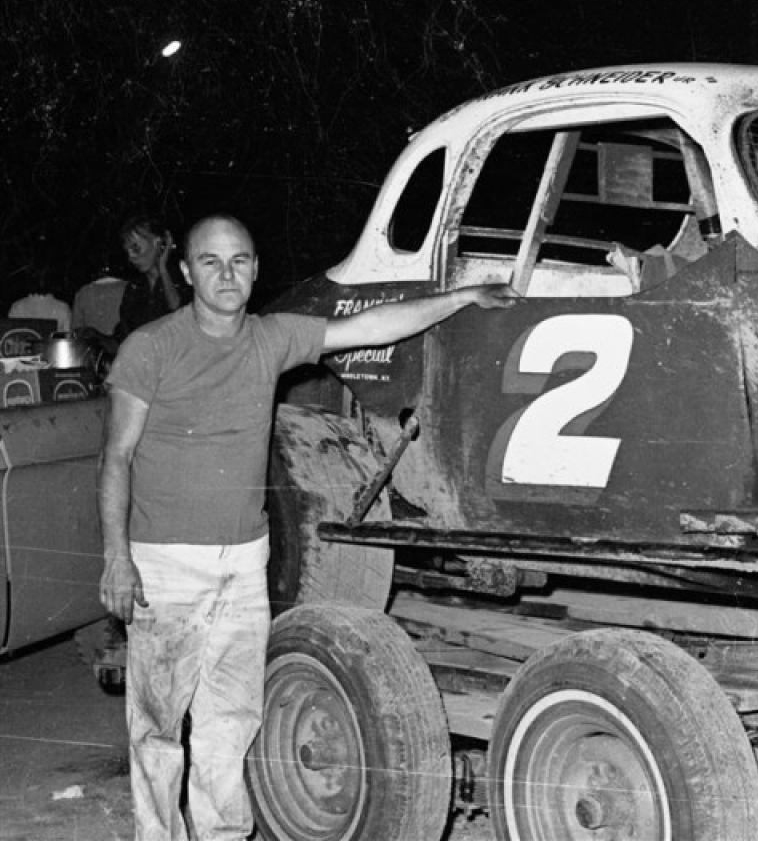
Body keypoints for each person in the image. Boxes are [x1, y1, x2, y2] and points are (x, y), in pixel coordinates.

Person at [97, 214, 517, 841]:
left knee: (230, 721)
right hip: (166, 565)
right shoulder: (151, 347)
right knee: (158, 727)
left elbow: (371, 326)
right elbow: (117, 456)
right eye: (210, 262)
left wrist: (462, 297)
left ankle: (221, 835)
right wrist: (116, 557)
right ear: (185, 271)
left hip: (244, 565)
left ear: (256, 268)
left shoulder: (272, 337)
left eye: (239, 260)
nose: (227, 274)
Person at [115, 214, 189, 341]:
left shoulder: (185, 276)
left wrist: (162, 268)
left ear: (157, 242)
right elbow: (124, 335)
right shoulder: (134, 288)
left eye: (136, 248)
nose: (131, 257)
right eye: (127, 252)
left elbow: (179, 314)